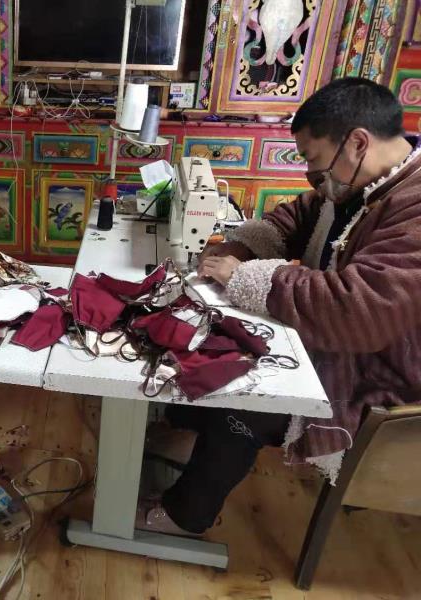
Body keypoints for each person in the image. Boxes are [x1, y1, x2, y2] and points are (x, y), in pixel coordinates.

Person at [138, 77, 421, 536]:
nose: (311, 174)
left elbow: (360, 312)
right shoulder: (360, 184)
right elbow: (296, 216)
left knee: (249, 396)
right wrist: (241, 247)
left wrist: (245, 277)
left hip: (379, 374)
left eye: (313, 159)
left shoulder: (413, 208)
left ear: (357, 143)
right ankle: (184, 428)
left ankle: (187, 515)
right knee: (215, 339)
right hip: (347, 346)